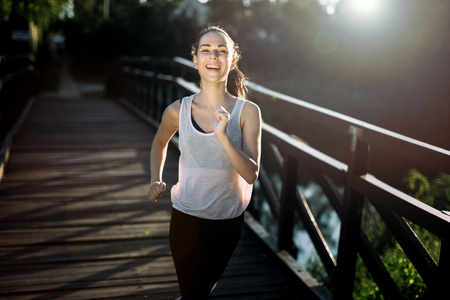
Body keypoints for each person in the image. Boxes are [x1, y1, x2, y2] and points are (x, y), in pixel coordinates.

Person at [147, 25, 262, 300]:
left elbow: (250, 174)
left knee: (198, 290)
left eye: (222, 51)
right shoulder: (178, 110)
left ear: (232, 62)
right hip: (186, 218)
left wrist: (223, 136)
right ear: (195, 59)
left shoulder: (249, 112)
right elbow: (159, 143)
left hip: (228, 222)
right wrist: (155, 178)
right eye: (206, 50)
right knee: (194, 293)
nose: (214, 56)